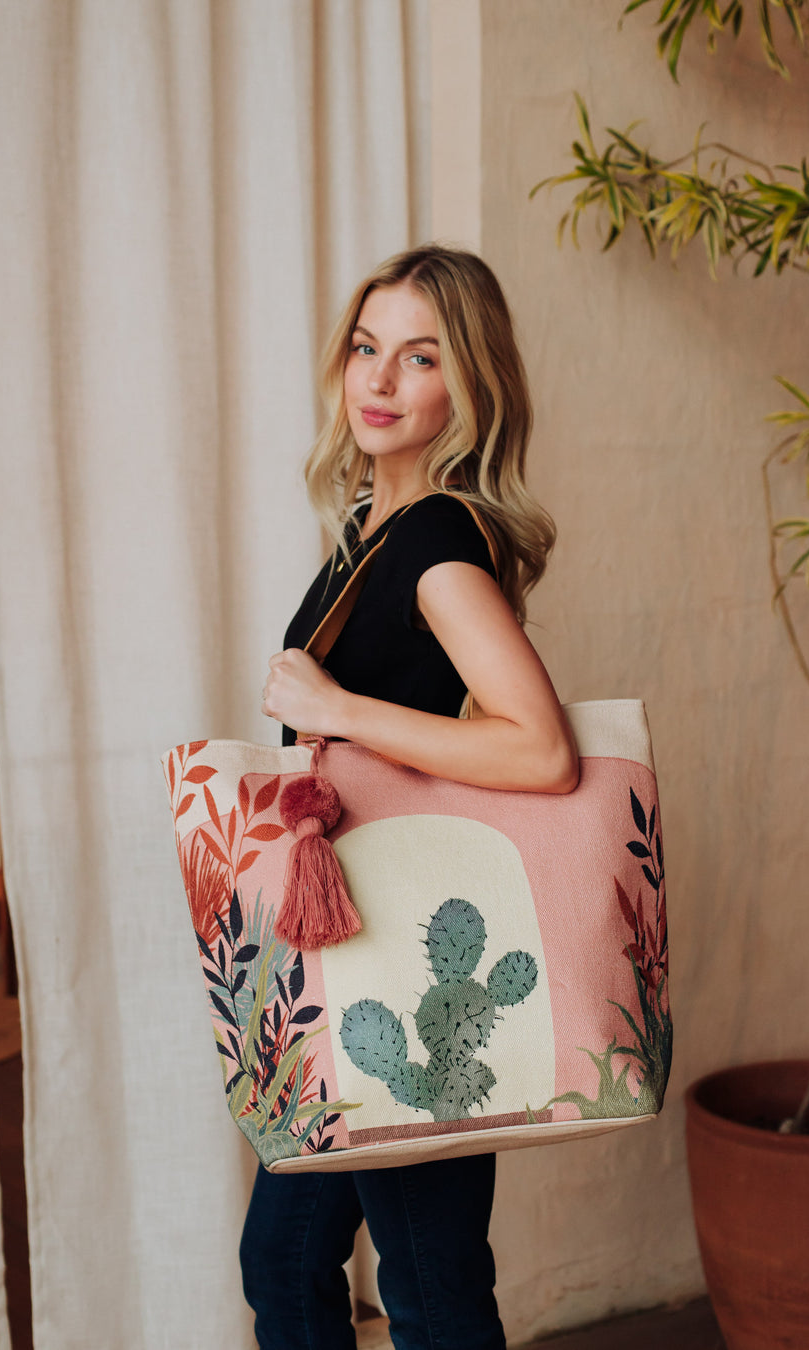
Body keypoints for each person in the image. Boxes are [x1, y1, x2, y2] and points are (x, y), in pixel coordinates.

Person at [243, 244, 578, 1350]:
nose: (380, 380)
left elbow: (541, 750)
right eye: (366, 348)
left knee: (430, 1288)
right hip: (357, 952)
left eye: (421, 357)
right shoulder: (369, 529)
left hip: (417, 968)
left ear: (468, 385)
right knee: (287, 1261)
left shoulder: (434, 538)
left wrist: (338, 706)